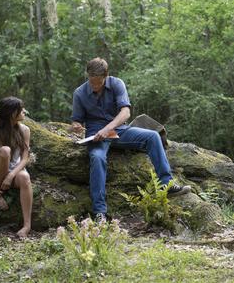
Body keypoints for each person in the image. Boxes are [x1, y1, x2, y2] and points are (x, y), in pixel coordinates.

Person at [71, 58, 191, 222]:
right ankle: (100, 212)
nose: (95, 86)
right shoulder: (79, 93)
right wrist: (76, 125)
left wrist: (109, 128)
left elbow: (125, 113)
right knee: (97, 158)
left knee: (153, 136)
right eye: (92, 83)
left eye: (99, 83)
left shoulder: (117, 84)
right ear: (87, 75)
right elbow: (76, 120)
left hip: (119, 130)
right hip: (96, 135)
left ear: (106, 76)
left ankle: (166, 184)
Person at [0, 96, 33, 238]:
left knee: (25, 177)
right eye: (21, 110)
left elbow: (25, 158)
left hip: (14, 171)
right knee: (5, 151)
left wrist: (11, 175)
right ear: (12, 113)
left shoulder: (25, 130)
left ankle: (26, 226)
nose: (24, 111)